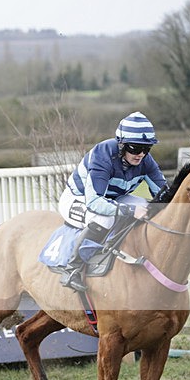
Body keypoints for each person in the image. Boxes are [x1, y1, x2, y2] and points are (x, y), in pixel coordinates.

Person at [57, 111, 169, 291]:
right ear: (122, 144)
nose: (140, 154)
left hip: (113, 198)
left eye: (146, 149)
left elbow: (166, 195)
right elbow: (94, 202)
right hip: (78, 199)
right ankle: (72, 270)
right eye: (134, 148)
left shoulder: (146, 161)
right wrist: (130, 211)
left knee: (146, 207)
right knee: (104, 218)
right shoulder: (103, 154)